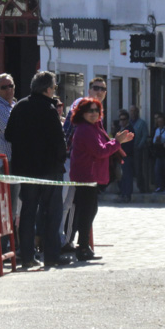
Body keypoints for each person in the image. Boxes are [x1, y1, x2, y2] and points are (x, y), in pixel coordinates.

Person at [4, 71, 67, 269]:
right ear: (48, 89)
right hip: (49, 170)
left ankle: (28, 256)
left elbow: (8, 134)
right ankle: (51, 255)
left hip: (26, 170)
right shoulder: (49, 109)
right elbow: (59, 141)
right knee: (52, 213)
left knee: (28, 213)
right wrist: (60, 160)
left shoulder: (20, 106)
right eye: (54, 87)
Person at [69, 98, 133, 260]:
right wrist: (117, 142)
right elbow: (100, 151)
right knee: (86, 212)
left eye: (96, 110)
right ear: (81, 113)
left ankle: (83, 246)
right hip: (86, 176)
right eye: (89, 110)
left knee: (89, 210)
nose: (93, 114)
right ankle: (82, 247)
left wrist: (116, 142)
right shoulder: (85, 129)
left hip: (90, 176)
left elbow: (102, 148)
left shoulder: (93, 128)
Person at [115, 110, 135, 202]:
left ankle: (127, 195)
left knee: (127, 176)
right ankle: (122, 193)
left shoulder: (129, 130)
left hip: (127, 156)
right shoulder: (119, 130)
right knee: (120, 176)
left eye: (124, 119)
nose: (122, 121)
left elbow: (130, 145)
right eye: (120, 119)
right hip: (119, 157)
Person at [129, 105, 150, 193]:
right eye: (131, 111)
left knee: (139, 169)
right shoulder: (128, 123)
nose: (132, 113)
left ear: (137, 112)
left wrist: (139, 146)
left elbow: (145, 135)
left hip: (138, 150)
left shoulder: (142, 123)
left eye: (134, 111)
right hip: (129, 150)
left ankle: (142, 187)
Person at [152, 113, 165, 192]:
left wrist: (161, 139)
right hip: (158, 152)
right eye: (158, 122)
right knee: (158, 170)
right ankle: (159, 186)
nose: (160, 123)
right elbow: (153, 141)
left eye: (161, 122)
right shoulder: (157, 130)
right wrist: (157, 140)